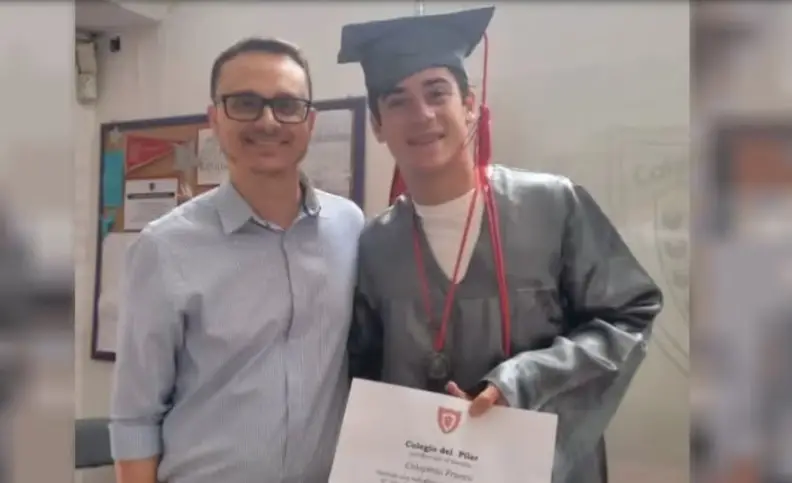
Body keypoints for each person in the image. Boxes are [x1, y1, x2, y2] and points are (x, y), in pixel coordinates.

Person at [339, 6, 663, 483]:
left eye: (437, 93)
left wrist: (524, 381)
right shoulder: (375, 244)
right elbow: (363, 374)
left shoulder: (551, 206)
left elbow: (630, 314)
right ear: (377, 125)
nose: (422, 114)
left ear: (470, 104)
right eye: (398, 101)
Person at [110, 37, 364, 483]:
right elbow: (135, 418)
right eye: (245, 103)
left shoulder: (350, 227)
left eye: (287, 105)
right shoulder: (164, 248)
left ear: (310, 121)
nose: (268, 121)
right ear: (214, 118)